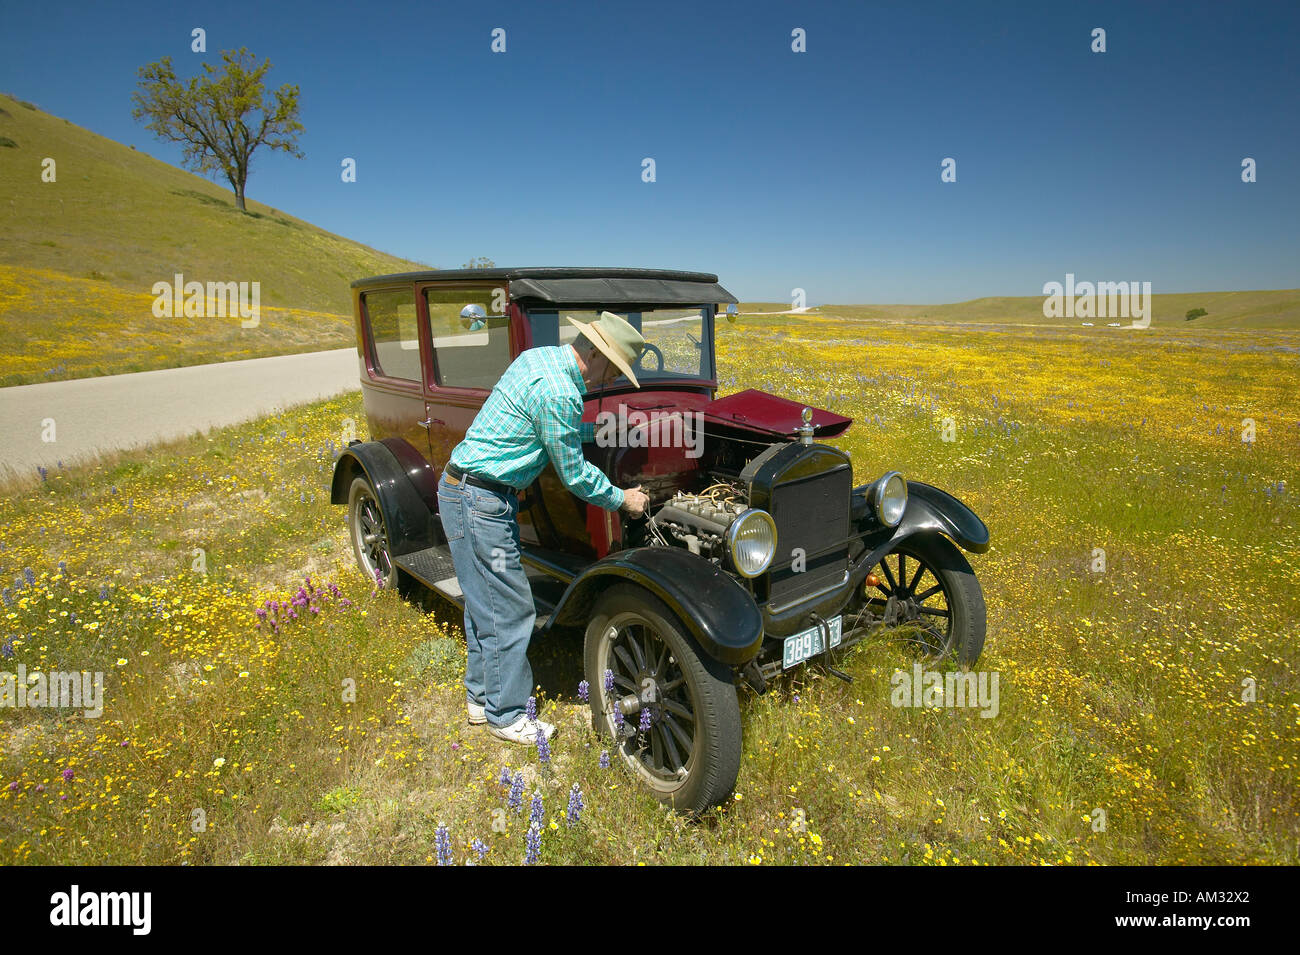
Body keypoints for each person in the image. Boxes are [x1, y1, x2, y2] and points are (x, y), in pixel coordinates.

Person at [436, 311, 652, 744]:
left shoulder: (540, 360)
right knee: (512, 608)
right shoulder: (560, 393)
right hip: (482, 502)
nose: (607, 380)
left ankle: (481, 699)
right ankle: (508, 715)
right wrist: (623, 499)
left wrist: (604, 428)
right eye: (612, 369)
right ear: (594, 352)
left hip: (461, 491)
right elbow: (573, 474)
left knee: (485, 604)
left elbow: (548, 425)